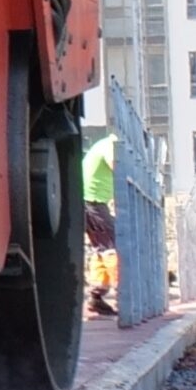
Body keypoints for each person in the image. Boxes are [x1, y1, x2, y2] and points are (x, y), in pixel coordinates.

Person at [84, 129, 118, 317]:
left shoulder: (104, 144)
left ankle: (96, 295)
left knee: (101, 248)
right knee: (112, 246)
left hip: (92, 201)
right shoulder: (110, 146)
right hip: (93, 201)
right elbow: (116, 167)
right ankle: (124, 292)